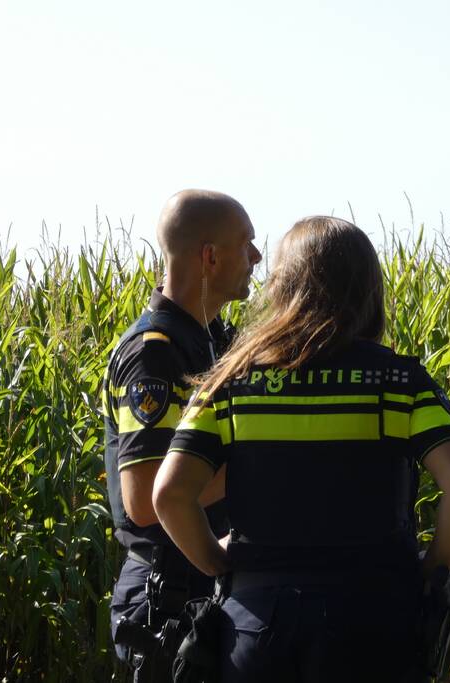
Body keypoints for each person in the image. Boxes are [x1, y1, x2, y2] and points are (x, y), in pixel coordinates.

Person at [152, 216, 450, 682]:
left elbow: (170, 494)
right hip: (375, 625)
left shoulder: (231, 383)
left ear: (282, 288)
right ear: (369, 290)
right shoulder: (398, 381)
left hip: (255, 630)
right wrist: (432, 568)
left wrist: (220, 564)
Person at [102, 189, 262, 681]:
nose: (257, 256)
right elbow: (146, 499)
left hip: (208, 581)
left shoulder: (217, 341)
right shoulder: (155, 353)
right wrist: (264, 469)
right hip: (166, 594)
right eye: (246, 243)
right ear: (209, 257)